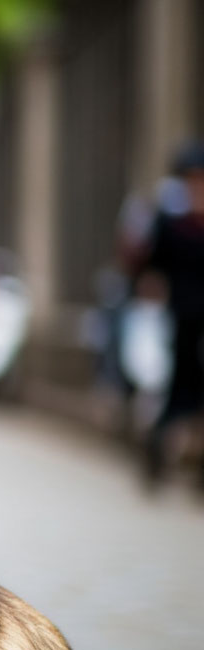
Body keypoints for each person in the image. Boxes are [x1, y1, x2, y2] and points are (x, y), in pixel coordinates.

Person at [140, 142, 204, 487]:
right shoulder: (170, 221)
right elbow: (152, 267)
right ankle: (157, 451)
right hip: (181, 320)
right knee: (178, 390)